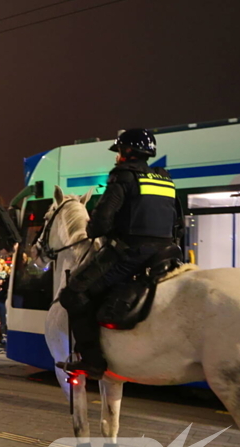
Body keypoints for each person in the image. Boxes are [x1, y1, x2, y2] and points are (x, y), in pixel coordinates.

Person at [59, 129, 182, 380]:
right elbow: (177, 222)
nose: (116, 157)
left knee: (74, 293)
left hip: (131, 254)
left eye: (118, 151)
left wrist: (94, 228)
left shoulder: (123, 176)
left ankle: (92, 361)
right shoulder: (165, 179)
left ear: (127, 152)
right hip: (166, 254)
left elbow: (100, 224)